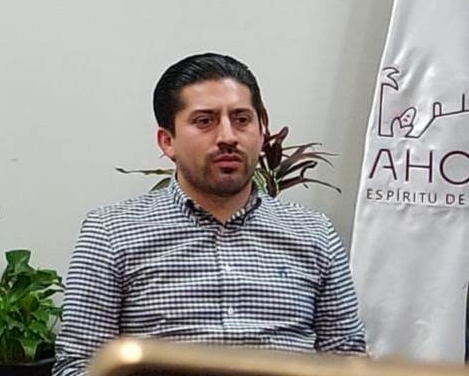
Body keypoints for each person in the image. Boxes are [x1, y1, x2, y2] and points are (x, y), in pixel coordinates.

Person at [53, 53, 365, 376]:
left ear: (262, 130)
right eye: (205, 121)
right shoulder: (111, 233)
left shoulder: (313, 233)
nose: (228, 137)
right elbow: (78, 366)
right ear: (168, 141)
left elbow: (348, 361)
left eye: (241, 119)